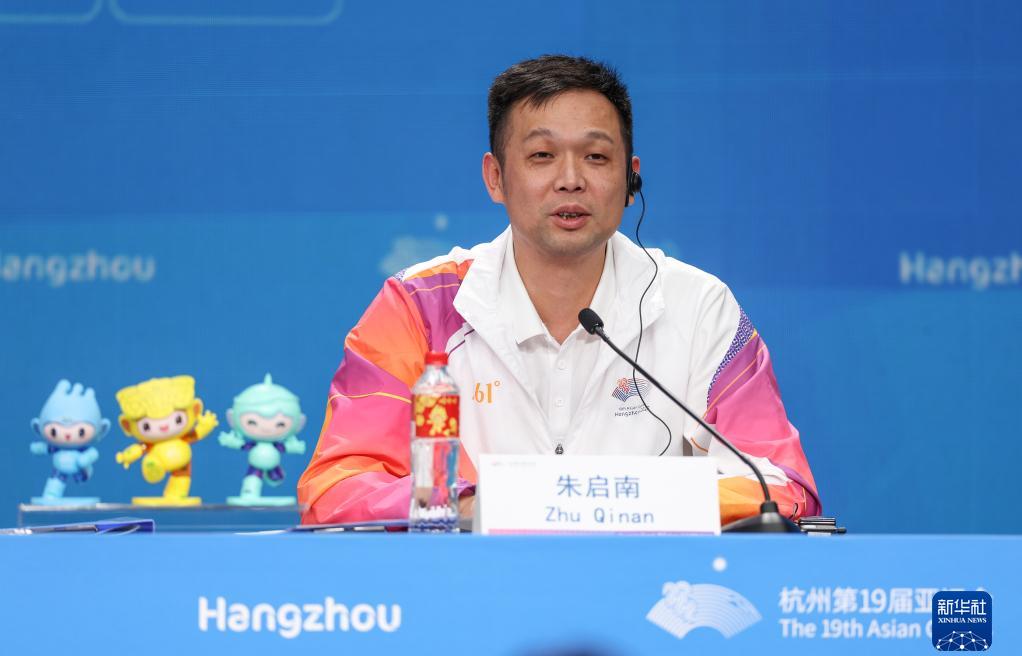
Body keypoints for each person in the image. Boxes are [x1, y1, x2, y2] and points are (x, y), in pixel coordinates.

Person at [297, 55, 820, 525]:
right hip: (468, 587)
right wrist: (478, 506)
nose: (571, 180)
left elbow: (781, 486)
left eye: (596, 157)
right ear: (495, 178)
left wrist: (615, 503)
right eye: (542, 155)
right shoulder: (419, 306)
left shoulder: (699, 307)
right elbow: (337, 488)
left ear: (630, 179)